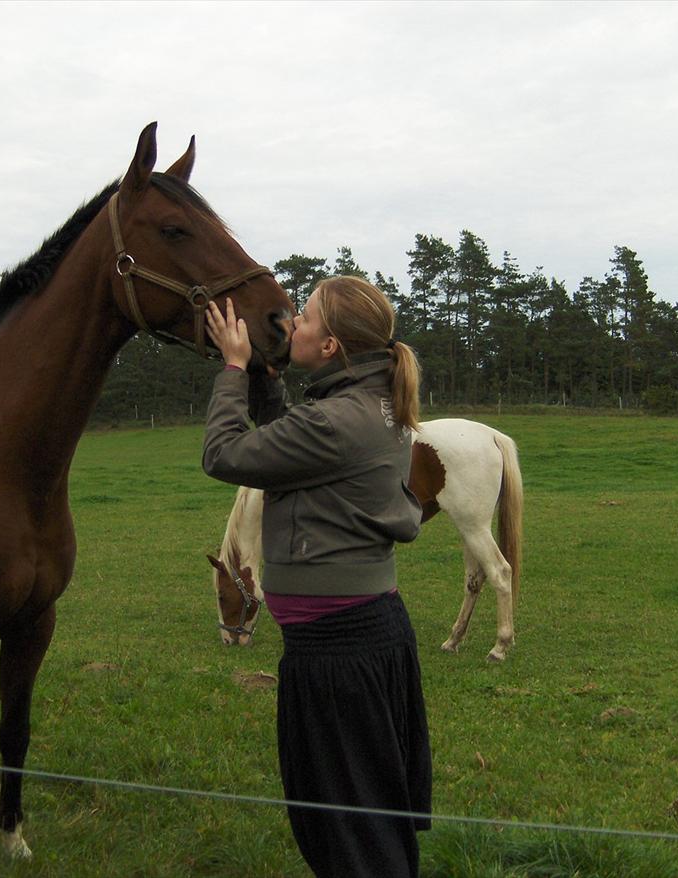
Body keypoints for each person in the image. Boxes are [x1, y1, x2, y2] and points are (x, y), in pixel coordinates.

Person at [202, 275, 431, 877]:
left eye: (301, 319)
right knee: (366, 817)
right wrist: (264, 382)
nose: (290, 326)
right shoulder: (372, 403)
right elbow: (300, 457)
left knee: (353, 832)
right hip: (362, 637)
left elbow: (224, 455)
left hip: (339, 656)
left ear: (330, 346)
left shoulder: (337, 421)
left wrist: (232, 367)